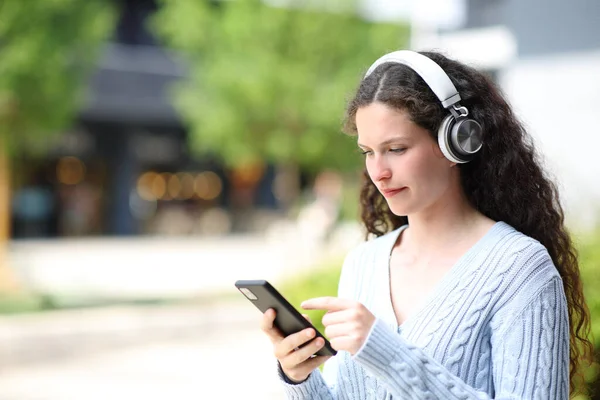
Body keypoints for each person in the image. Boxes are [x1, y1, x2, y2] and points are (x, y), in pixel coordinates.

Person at [260, 50, 592, 399]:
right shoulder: (364, 263)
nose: (379, 171)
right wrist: (301, 380)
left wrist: (387, 354)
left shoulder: (519, 269)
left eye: (397, 149)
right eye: (368, 152)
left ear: (457, 142)